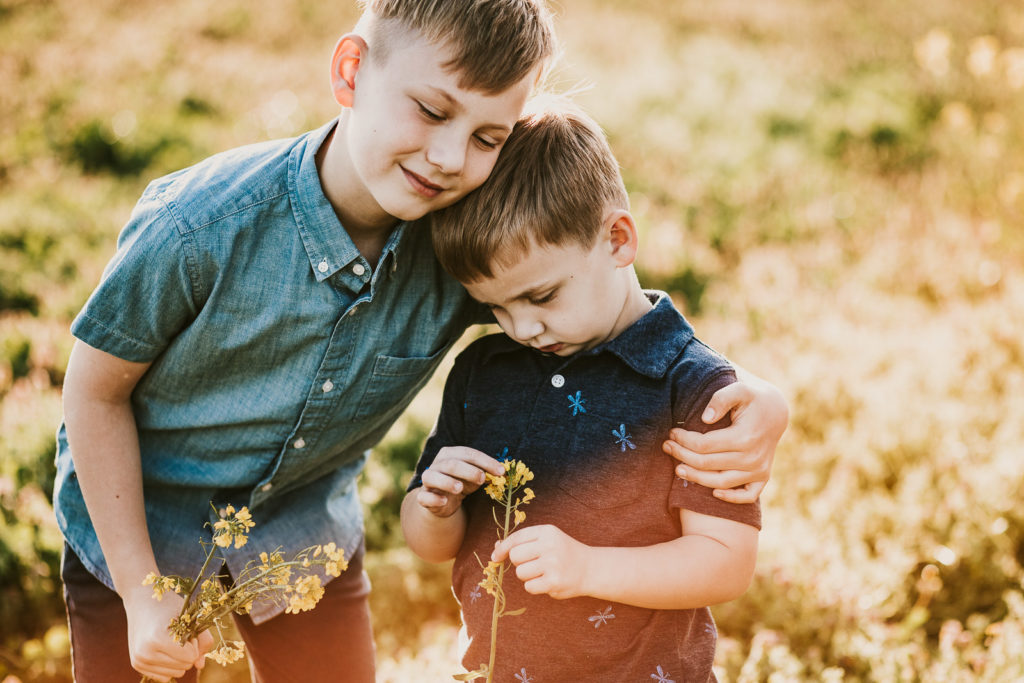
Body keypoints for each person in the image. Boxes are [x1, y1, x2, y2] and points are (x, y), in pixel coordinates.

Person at [55, 1, 782, 681]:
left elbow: (593, 297)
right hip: (137, 530)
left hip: (306, 535)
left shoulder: (462, 247)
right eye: (432, 110)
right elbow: (94, 390)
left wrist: (760, 397)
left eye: (486, 136)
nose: (448, 157)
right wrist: (141, 589)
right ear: (350, 72)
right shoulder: (200, 224)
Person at [401, 97, 764, 681]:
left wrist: (588, 568)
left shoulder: (695, 388)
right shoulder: (483, 370)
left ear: (618, 240)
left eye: (541, 297)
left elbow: (726, 563)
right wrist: (431, 506)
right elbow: (433, 545)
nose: (523, 328)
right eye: (495, 307)